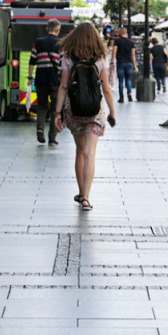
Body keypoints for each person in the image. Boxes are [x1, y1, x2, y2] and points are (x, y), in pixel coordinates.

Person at [53, 22, 116, 210]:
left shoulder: (68, 57)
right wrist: (112, 111)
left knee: (80, 151)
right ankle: (86, 197)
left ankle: (81, 193)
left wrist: (57, 113)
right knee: (90, 153)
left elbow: (63, 86)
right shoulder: (101, 57)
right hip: (95, 110)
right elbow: (106, 88)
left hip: (74, 109)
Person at [28, 19, 62, 144]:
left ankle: (40, 129)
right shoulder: (61, 43)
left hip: (40, 79)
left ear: (47, 29)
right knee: (55, 109)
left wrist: (30, 77)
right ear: (58, 30)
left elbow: (32, 61)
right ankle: (52, 138)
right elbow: (62, 63)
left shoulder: (38, 42)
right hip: (55, 81)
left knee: (42, 106)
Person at [112, 27, 136, 102]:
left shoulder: (117, 41)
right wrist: (134, 65)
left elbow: (114, 51)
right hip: (129, 63)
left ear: (120, 32)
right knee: (128, 79)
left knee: (121, 81)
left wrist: (112, 61)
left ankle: (121, 97)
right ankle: (129, 93)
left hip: (120, 62)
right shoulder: (131, 42)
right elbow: (133, 54)